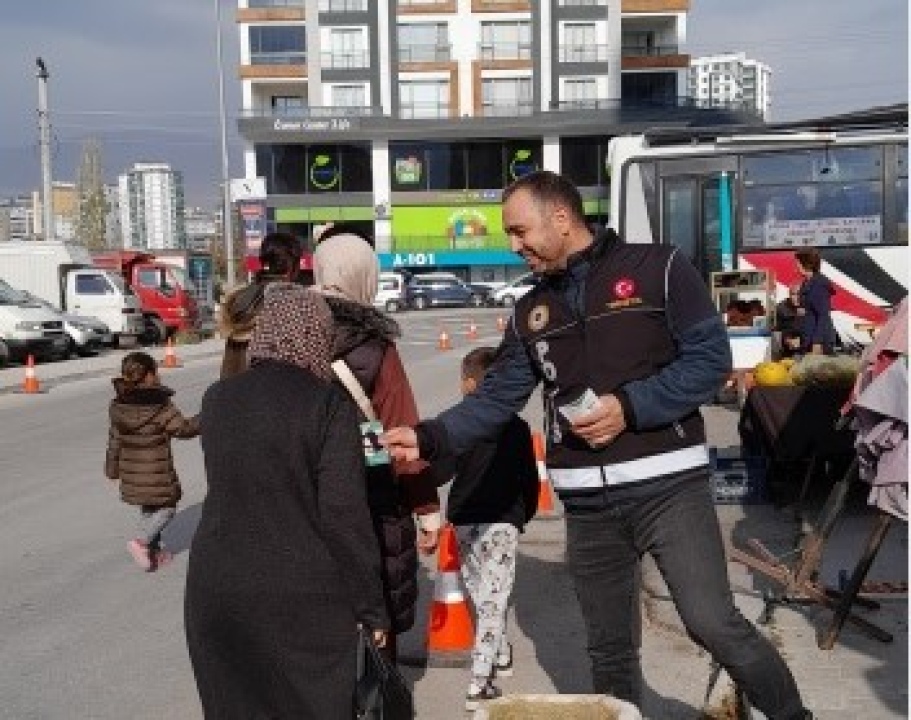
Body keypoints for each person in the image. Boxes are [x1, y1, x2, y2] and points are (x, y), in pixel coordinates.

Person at [383, 170, 814, 720]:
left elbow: (709, 363)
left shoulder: (658, 268)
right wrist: (427, 437)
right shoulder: (530, 311)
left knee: (713, 623)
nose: (515, 247)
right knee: (609, 650)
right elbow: (495, 401)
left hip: (669, 488)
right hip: (586, 505)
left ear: (561, 218)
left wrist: (629, 407)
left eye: (520, 232)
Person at [185, 283, 388, 719]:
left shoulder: (218, 400)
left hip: (217, 592)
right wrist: (373, 610)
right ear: (317, 334)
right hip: (303, 600)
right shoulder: (327, 404)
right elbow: (344, 517)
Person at [312, 229, 441, 663]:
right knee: (372, 621)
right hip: (370, 498)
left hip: (303, 501)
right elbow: (401, 430)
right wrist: (426, 510)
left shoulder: (284, 336)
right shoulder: (376, 346)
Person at [440, 346, 539, 711]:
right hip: (502, 521)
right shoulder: (516, 426)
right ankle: (498, 656)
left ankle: (479, 682)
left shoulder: (458, 422)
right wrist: (523, 514)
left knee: (483, 597)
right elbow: (529, 479)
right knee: (491, 599)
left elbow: (442, 471)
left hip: (467, 519)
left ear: (469, 384)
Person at [105, 351, 199, 571]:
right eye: (155, 371)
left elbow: (114, 439)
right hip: (156, 471)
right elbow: (183, 429)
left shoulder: (119, 405)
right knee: (167, 509)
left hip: (132, 473)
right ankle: (141, 542)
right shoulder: (160, 405)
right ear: (149, 375)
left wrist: (112, 469)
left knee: (149, 509)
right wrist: (207, 417)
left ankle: (154, 554)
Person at [218, 231, 303, 378]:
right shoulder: (295, 303)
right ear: (292, 267)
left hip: (234, 393)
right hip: (276, 395)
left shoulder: (240, 300)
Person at [795, 247, 838, 355]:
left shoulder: (819, 283)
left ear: (806, 263)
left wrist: (817, 342)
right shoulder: (807, 282)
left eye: (798, 262)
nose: (796, 265)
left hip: (818, 341)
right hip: (808, 337)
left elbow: (823, 315)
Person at [774, 284, 806, 358]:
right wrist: (787, 340)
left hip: (807, 350)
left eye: (799, 294)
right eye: (793, 294)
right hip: (787, 351)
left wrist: (802, 340)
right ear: (789, 294)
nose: (796, 298)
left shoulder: (811, 306)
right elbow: (776, 330)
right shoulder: (781, 308)